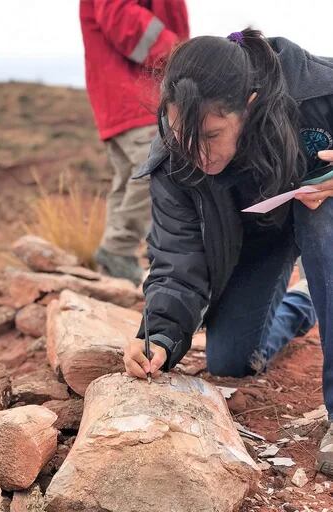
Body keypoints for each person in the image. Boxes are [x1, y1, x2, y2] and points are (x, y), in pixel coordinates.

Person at [121, 28, 333, 473]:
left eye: (212, 134)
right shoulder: (174, 161)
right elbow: (177, 259)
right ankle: (304, 302)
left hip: (321, 220)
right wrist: (160, 335)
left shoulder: (318, 93)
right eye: (183, 134)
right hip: (258, 245)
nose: (196, 152)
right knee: (230, 361)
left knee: (321, 211)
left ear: (250, 106)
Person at [80, 0, 189, 285]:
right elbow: (122, 18)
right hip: (136, 95)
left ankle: (115, 259)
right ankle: (118, 250)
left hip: (123, 96)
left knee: (129, 177)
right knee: (155, 169)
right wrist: (177, 55)